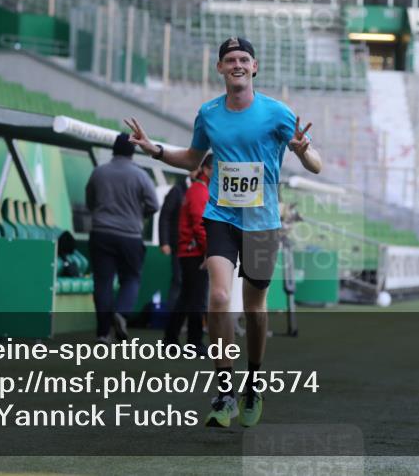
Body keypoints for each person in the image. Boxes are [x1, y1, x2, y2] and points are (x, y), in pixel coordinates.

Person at [124, 36, 322, 429]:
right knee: (218, 295)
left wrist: (301, 150)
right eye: (230, 59)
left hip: (263, 223)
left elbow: (316, 163)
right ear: (219, 68)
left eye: (243, 59)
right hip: (222, 217)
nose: (237, 64)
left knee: (255, 309)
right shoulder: (208, 114)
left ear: (254, 67)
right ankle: (224, 391)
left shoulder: (278, 113)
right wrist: (156, 150)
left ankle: (253, 381)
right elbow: (193, 159)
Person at [85, 132, 159, 343]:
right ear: (132, 152)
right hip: (130, 235)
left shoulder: (99, 173)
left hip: (100, 233)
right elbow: (154, 205)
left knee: (103, 282)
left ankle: (102, 333)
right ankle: (122, 312)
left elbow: (90, 201)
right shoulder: (140, 175)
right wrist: (139, 216)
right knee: (131, 278)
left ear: (113, 150)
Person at [163, 153, 213, 349]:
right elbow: (200, 225)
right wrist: (208, 250)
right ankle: (194, 342)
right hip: (195, 253)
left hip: (190, 251)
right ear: (208, 169)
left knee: (187, 298)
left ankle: (171, 340)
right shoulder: (199, 191)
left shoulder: (197, 189)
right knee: (197, 299)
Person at [158, 168, 197, 309]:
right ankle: (172, 320)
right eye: (195, 167)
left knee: (198, 283)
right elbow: (165, 216)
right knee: (179, 279)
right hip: (180, 244)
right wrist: (164, 242)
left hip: (199, 245)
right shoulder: (177, 190)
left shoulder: (206, 189)